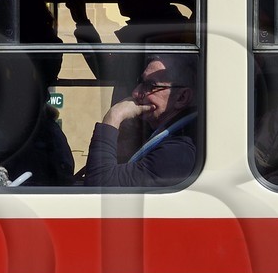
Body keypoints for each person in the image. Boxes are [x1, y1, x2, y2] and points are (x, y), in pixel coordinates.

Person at [82, 54, 197, 188]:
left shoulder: (178, 152)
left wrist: (114, 116)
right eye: (140, 82)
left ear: (181, 98)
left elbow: (99, 186)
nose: (136, 93)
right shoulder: (160, 133)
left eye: (150, 86)